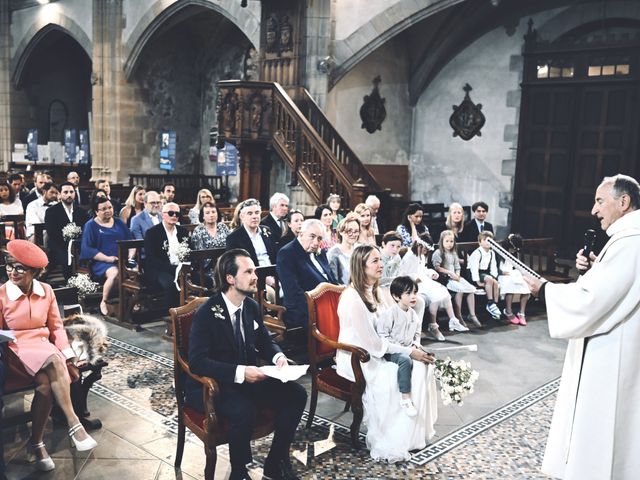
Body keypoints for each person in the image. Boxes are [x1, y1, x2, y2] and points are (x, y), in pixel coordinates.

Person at [524, 174, 640, 480]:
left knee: (603, 423)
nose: (594, 209)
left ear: (623, 202)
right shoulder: (626, 239)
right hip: (621, 344)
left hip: (612, 350)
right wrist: (594, 267)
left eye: (600, 201)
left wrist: (546, 290)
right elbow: (615, 286)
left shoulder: (630, 242)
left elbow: (594, 300)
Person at [186, 249, 307, 480]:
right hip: (213, 385)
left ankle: (275, 462)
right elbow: (197, 362)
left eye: (254, 271)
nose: (255, 276)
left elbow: (265, 341)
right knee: (244, 410)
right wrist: (241, 372)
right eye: (249, 271)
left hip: (248, 379)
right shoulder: (207, 313)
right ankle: (239, 473)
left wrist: (278, 357)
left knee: (297, 394)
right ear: (230, 279)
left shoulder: (250, 306)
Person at [0, 241, 97, 473]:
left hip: (43, 348)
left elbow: (56, 328)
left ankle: (37, 444)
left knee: (45, 385)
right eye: (9, 266)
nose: (12, 272)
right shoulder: (1, 294)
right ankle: (74, 423)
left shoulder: (47, 291)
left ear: (34, 272)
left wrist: (69, 356)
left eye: (20, 268)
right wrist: (63, 358)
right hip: (15, 351)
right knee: (54, 360)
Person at [336, 244, 438, 462]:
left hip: (378, 349)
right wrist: (409, 352)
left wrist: (413, 346)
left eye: (380, 260)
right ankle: (395, 436)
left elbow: (390, 327)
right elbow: (373, 344)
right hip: (357, 356)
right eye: (375, 261)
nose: (381, 264)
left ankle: (412, 436)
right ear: (360, 266)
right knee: (403, 371)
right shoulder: (352, 298)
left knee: (423, 366)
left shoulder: (375, 292)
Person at [399, 238, 468, 339]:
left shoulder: (421, 256)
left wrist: (431, 273)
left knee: (444, 291)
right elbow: (402, 273)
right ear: (419, 246)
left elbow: (423, 270)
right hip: (411, 283)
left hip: (422, 280)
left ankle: (453, 320)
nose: (426, 251)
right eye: (425, 248)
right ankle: (433, 326)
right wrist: (415, 278)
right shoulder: (409, 256)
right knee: (435, 295)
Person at [376, 276, 425, 417]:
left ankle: (420, 397)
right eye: (408, 293)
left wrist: (415, 345)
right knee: (405, 360)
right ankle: (405, 397)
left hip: (408, 347)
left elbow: (417, 334)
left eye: (415, 292)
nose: (413, 296)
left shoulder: (413, 314)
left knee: (426, 359)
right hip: (391, 350)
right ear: (396, 296)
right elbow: (383, 339)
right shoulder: (389, 314)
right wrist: (405, 349)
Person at [276, 219, 338, 330]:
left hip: (328, 305)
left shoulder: (320, 253)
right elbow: (293, 294)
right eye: (312, 236)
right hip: (304, 310)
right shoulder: (287, 253)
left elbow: (331, 281)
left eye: (319, 238)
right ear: (301, 234)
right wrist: (319, 310)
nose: (316, 243)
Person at [80, 197, 132, 315]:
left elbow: (131, 241)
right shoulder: (90, 225)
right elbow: (88, 249)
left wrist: (130, 256)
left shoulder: (119, 222)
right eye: (103, 209)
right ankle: (104, 301)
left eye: (109, 207)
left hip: (122, 259)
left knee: (135, 271)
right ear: (96, 212)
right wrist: (107, 258)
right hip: (101, 262)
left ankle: (132, 301)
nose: (108, 210)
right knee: (114, 273)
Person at [144, 202, 190, 313]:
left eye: (177, 214)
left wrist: (185, 267)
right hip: (159, 269)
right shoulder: (152, 233)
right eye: (170, 213)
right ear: (163, 214)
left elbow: (189, 252)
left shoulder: (183, 232)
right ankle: (171, 316)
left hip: (181, 268)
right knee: (170, 284)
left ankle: (192, 312)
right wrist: (174, 269)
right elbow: (152, 259)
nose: (174, 215)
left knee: (205, 280)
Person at [432, 230, 480, 327]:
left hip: (455, 277)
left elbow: (457, 266)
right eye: (447, 241)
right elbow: (437, 267)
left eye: (451, 241)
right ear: (442, 241)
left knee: (471, 289)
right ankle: (458, 315)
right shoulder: (438, 253)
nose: (449, 244)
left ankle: (472, 315)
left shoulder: (453, 253)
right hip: (445, 279)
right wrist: (450, 273)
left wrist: (457, 274)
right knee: (460, 290)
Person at [44, 182, 90, 279]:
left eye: (71, 192)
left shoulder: (81, 211)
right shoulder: (51, 211)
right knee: (67, 260)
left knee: (89, 258)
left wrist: (76, 242)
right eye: (65, 192)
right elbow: (52, 233)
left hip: (78, 244)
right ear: (59, 194)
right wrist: (68, 243)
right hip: (59, 245)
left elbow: (85, 230)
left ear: (75, 194)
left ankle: (86, 283)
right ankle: (70, 284)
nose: (69, 194)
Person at [226, 198, 276, 268]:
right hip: (251, 274)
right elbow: (235, 265)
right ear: (242, 217)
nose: (254, 216)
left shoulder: (266, 230)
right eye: (250, 213)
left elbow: (274, 256)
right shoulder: (234, 238)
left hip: (272, 271)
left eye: (257, 213)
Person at [190, 202, 230, 288]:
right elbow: (199, 255)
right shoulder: (199, 230)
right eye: (207, 213)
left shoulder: (223, 227)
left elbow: (230, 247)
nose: (211, 215)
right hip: (205, 269)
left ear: (217, 214)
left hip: (225, 265)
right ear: (203, 216)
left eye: (213, 212)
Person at [467, 231, 502, 321]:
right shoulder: (477, 253)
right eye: (485, 240)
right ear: (479, 242)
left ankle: (495, 304)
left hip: (484, 273)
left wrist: (495, 278)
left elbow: (493, 267)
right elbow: (474, 268)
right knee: (489, 279)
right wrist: (477, 281)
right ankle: (490, 302)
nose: (488, 242)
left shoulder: (491, 253)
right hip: (473, 274)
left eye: (490, 240)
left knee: (495, 282)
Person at [497, 233, 530, 326]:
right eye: (514, 248)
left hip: (512, 273)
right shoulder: (499, 250)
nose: (515, 250)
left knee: (525, 285)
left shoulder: (515, 252)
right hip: (503, 274)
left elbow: (516, 266)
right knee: (509, 285)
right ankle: (508, 311)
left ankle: (521, 312)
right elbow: (494, 266)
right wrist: (501, 272)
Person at [327, 213, 360, 284]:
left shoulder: (359, 250)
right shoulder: (333, 252)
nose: (353, 234)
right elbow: (333, 282)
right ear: (341, 232)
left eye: (356, 231)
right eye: (349, 231)